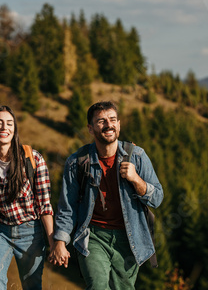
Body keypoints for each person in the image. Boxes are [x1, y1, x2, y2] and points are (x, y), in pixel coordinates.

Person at [50, 101, 163, 289]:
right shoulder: (76, 162)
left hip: (129, 238)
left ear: (118, 124)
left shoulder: (137, 156)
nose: (108, 125)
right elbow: (67, 207)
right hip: (92, 236)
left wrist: (136, 179)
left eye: (112, 120)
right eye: (101, 121)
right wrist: (60, 241)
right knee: (97, 286)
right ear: (90, 128)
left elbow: (157, 198)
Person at [0, 105, 54, 290]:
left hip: (30, 233)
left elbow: (45, 204)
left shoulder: (33, 159)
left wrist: (53, 242)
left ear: (14, 129)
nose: (4, 128)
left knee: (31, 285)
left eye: (9, 123)